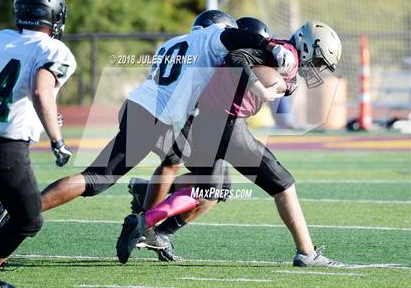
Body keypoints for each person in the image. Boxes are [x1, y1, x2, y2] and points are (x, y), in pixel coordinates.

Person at [0, 10, 296, 259]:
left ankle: (150, 226)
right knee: (98, 179)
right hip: (157, 119)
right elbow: (231, 49)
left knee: (188, 170)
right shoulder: (213, 40)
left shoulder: (175, 43)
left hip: (142, 108)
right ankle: (23, 208)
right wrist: (271, 50)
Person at [117, 20, 344, 268]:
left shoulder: (286, 60)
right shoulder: (285, 53)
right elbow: (236, 59)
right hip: (227, 124)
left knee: (212, 189)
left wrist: (281, 85)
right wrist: (261, 89)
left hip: (208, 123)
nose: (318, 68)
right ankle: (307, 254)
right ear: (307, 46)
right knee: (284, 185)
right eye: (319, 61)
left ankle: (146, 223)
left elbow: (269, 76)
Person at [0, 0, 75, 287]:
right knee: (28, 218)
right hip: (6, 145)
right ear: (54, 14)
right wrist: (57, 139)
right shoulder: (53, 49)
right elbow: (42, 91)